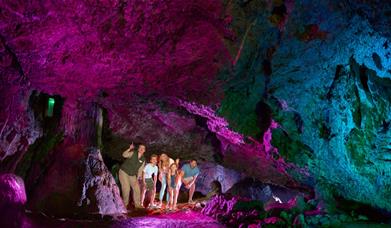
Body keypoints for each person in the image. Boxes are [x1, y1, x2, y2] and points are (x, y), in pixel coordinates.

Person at [118, 143, 146, 209]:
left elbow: (140, 169)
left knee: (137, 189)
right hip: (124, 172)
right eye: (140, 148)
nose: (142, 149)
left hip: (132, 175)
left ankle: (137, 205)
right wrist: (129, 149)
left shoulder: (143, 159)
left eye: (143, 148)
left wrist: (138, 177)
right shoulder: (133, 153)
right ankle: (125, 204)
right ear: (138, 149)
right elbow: (124, 155)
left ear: (144, 150)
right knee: (126, 188)